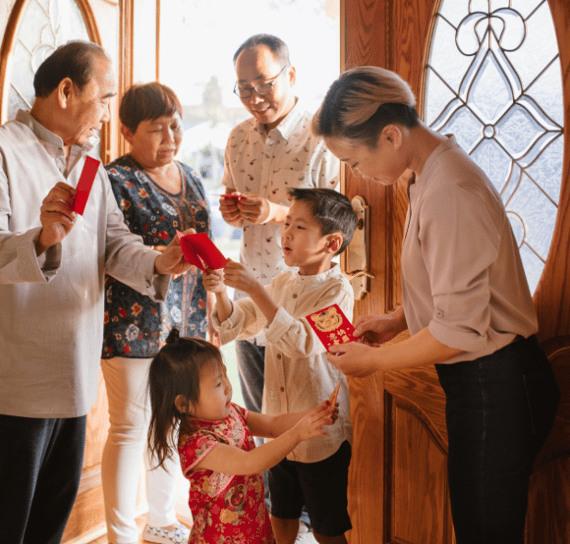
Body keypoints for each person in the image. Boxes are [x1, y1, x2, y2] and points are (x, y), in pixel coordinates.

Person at [312, 66, 561, 544]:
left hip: (497, 383)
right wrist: (400, 318)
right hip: (486, 380)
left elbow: (461, 330)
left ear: (390, 135)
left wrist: (375, 361)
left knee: (485, 532)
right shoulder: (429, 172)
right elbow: (463, 284)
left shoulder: (449, 190)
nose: (355, 173)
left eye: (354, 160)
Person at [0, 41, 192, 544]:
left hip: (74, 369)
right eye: (104, 99)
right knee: (3, 523)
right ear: (66, 91)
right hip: (15, 373)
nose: (108, 114)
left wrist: (158, 261)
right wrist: (41, 237)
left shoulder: (90, 166)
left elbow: (113, 243)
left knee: (50, 522)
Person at [204, 188, 357, 544]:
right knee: (280, 515)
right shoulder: (283, 282)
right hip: (280, 431)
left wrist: (256, 289)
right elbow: (240, 323)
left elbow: (302, 343)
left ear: (331, 243)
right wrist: (222, 293)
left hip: (322, 433)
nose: (285, 233)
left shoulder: (339, 290)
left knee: (326, 527)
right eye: (287, 223)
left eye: (299, 227)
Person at [101, 82, 216, 544]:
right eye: (156, 128)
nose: (170, 136)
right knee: (129, 428)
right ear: (127, 131)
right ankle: (121, 535)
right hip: (131, 322)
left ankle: (163, 521)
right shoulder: (114, 180)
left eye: (175, 124)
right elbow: (108, 252)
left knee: (175, 422)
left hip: (186, 321)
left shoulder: (190, 174)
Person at [220, 34, 340, 432]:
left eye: (264, 84)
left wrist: (275, 212)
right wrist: (233, 212)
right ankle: (269, 496)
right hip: (252, 293)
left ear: (290, 75)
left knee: (312, 424)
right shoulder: (237, 138)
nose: (254, 97)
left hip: (306, 297)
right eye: (243, 89)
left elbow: (338, 220)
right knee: (264, 423)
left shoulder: (321, 138)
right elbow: (235, 207)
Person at [147, 328, 339, 544]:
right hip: (220, 538)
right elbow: (250, 462)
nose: (228, 387)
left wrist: (312, 416)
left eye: (225, 375)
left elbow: (272, 425)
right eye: (218, 384)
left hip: (253, 527)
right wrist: (298, 433)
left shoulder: (231, 413)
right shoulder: (197, 443)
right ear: (183, 403)